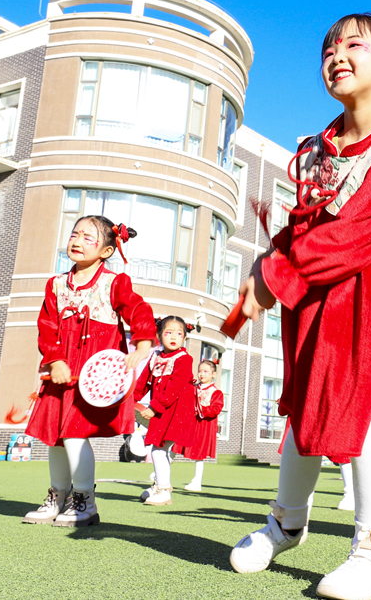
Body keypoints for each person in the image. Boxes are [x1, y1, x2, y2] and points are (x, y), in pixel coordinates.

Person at [228, 8, 371, 600]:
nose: (337, 57)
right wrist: (266, 261)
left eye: (354, 46)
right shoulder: (312, 151)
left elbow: (353, 237)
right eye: (328, 51)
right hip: (321, 298)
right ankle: (285, 524)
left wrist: (278, 273)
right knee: (306, 410)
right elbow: (302, 227)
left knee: (366, 416)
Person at [22, 217, 154, 527]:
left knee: (75, 434)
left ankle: (84, 500)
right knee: (55, 437)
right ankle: (58, 495)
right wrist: (55, 360)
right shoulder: (56, 284)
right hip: (61, 373)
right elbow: (47, 326)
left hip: (93, 378)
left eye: (88, 237)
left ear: (107, 251)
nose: (77, 240)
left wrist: (144, 342)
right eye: (74, 234)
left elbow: (138, 309)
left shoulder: (114, 283)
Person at [134, 316, 196, 506]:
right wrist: (131, 398)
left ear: (184, 338)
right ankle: (160, 486)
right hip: (162, 409)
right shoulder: (156, 357)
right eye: (168, 332)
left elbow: (175, 387)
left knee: (158, 448)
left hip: (175, 409)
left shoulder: (184, 359)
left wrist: (154, 407)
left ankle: (163, 490)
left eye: (179, 333)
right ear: (160, 335)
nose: (174, 337)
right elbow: (143, 381)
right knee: (160, 448)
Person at [176, 360, 224, 492]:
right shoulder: (192, 387)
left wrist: (201, 410)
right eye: (200, 371)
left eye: (206, 371)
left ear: (213, 374)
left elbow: (216, 409)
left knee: (199, 454)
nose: (202, 374)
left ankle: (197, 481)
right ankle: (160, 473)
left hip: (203, 426)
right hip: (187, 423)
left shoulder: (216, 392)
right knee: (175, 446)